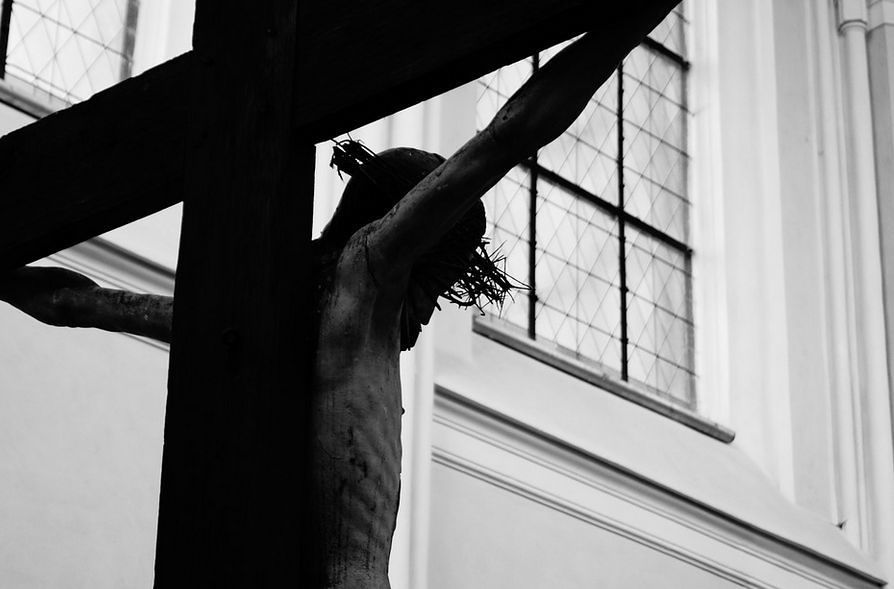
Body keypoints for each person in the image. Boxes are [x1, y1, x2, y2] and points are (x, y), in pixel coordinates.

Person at [0, 32, 631, 588]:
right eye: (433, 287)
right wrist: (626, 28)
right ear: (406, 246)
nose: (428, 312)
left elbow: (73, 302)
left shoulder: (248, 309)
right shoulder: (366, 277)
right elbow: (506, 138)